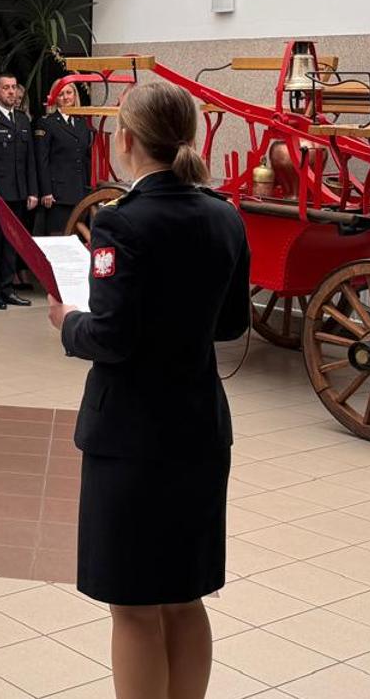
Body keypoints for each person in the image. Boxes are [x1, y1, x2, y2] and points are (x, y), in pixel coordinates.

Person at [49, 81, 249, 699]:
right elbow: (231, 323)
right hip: (197, 425)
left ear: (127, 141)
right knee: (184, 595)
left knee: (132, 604)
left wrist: (69, 322)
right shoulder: (225, 216)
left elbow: (111, 337)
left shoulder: (121, 223)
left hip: (132, 435)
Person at [0, 72, 38, 309]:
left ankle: (7, 288)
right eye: (6, 88)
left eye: (13, 88)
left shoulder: (22, 120)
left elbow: (29, 159)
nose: (11, 92)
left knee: (13, 242)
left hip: (19, 191)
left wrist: (32, 190)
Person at [37, 83, 94, 236]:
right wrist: (46, 191)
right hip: (59, 194)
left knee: (79, 239)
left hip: (81, 191)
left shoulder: (83, 123)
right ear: (55, 98)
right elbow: (42, 160)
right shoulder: (47, 122)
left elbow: (87, 158)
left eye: (69, 92)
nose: (65, 97)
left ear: (75, 95)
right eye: (61, 94)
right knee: (60, 237)